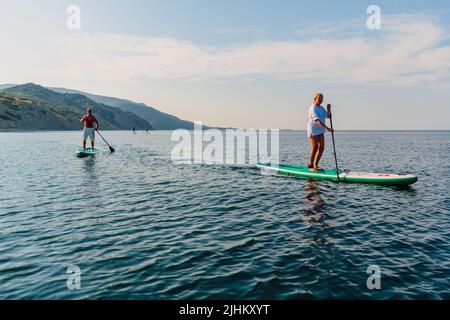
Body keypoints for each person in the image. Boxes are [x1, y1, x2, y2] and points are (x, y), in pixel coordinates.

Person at [307, 93, 333, 171]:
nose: (321, 100)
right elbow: (317, 120)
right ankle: (311, 166)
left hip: (320, 129)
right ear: (315, 99)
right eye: (319, 98)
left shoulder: (321, 108)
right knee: (314, 147)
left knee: (321, 147)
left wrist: (328, 109)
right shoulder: (313, 108)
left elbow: (328, 116)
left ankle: (316, 164)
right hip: (313, 129)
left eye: (322, 98)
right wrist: (327, 128)